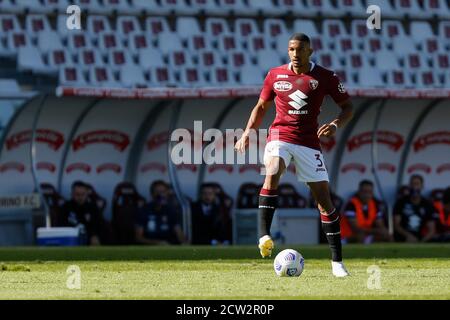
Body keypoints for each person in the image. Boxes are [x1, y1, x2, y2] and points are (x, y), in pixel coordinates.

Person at [235, 33, 354, 277]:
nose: (295, 54)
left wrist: (335, 124)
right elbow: (260, 107)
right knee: (273, 169)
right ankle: (264, 235)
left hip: (309, 142)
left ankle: (337, 262)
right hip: (279, 135)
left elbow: (348, 107)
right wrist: (247, 132)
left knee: (324, 200)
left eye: (300, 50)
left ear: (310, 51)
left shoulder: (326, 77)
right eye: (291, 49)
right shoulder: (275, 75)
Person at [135, 180, 186, 245]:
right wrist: (157, 243)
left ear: (167, 193)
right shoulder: (144, 210)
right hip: (149, 249)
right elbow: (138, 238)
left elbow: (179, 233)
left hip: (169, 248)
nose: (161, 195)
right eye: (157, 192)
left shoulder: (171, 211)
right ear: (152, 194)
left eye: (163, 192)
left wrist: (184, 243)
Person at [393, 175, 437, 242]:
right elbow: (396, 225)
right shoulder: (401, 202)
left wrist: (421, 242)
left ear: (422, 186)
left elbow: (431, 229)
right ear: (409, 186)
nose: (414, 187)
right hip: (402, 237)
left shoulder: (427, 204)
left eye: (417, 184)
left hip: (420, 237)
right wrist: (408, 236)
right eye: (412, 184)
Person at [59, 181, 101, 245]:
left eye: (83, 194)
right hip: (71, 239)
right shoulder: (66, 207)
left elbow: (98, 225)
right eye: (77, 194)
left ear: (87, 194)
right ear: (72, 194)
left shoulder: (93, 208)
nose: (80, 197)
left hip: (89, 240)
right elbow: (61, 226)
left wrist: (94, 235)